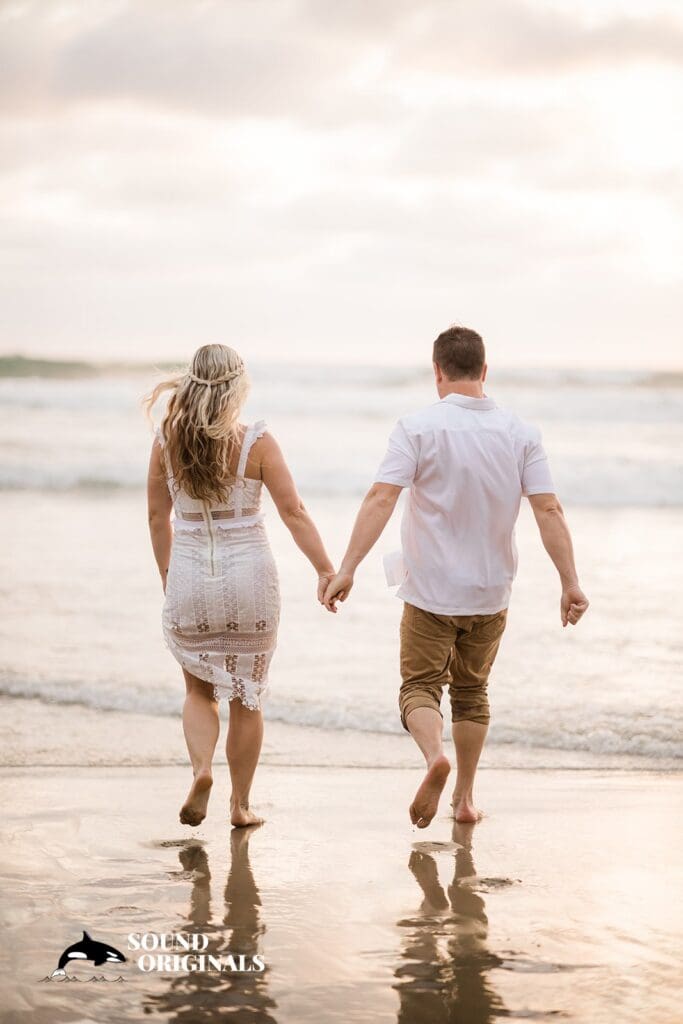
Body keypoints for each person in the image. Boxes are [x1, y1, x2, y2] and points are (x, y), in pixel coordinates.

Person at [322, 325, 589, 828]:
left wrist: (348, 567)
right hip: (490, 594)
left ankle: (433, 758)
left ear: (437, 372)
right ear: (484, 372)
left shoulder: (417, 428)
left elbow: (382, 497)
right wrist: (570, 582)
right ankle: (464, 799)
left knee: (419, 687)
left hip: (429, 591)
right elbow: (548, 509)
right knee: (472, 692)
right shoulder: (521, 433)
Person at [145, 344, 335, 828]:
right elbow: (294, 512)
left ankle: (203, 770)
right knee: (246, 697)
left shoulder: (167, 443)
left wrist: (169, 577)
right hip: (250, 580)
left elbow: (156, 517)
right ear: (238, 388)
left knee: (198, 691)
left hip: (189, 575)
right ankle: (240, 805)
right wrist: (325, 570)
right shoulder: (257, 443)